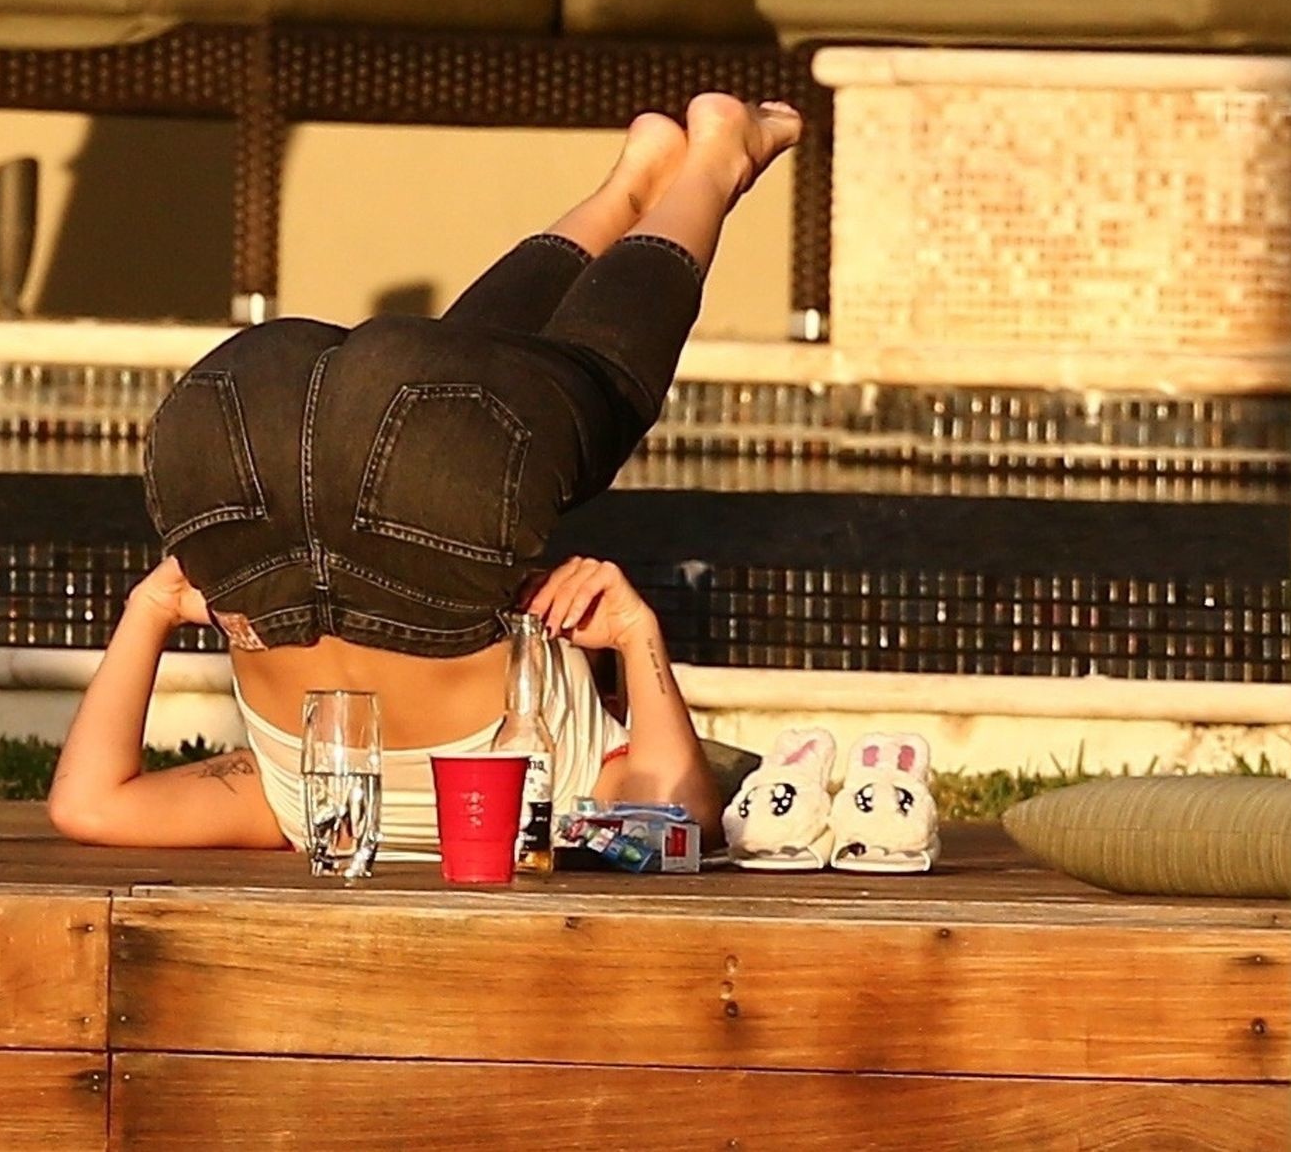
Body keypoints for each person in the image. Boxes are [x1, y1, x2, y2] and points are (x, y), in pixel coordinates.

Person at [48, 94, 803, 852]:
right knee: (445, 385)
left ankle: (713, 164)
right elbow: (90, 803)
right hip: (233, 432)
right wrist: (151, 607)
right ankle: (633, 186)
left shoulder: (565, 794)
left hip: (410, 485)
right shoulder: (290, 799)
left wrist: (637, 636)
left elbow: (679, 820)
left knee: (591, 388)